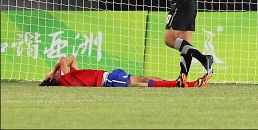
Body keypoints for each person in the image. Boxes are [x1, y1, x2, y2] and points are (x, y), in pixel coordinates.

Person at [39, 55, 210, 88]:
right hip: (109, 80)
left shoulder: (70, 77)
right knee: (141, 83)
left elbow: (72, 58)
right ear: (57, 78)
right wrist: (51, 72)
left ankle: (176, 82)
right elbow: (63, 59)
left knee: (142, 79)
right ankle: (183, 84)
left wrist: (51, 75)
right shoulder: (66, 80)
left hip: (110, 76)